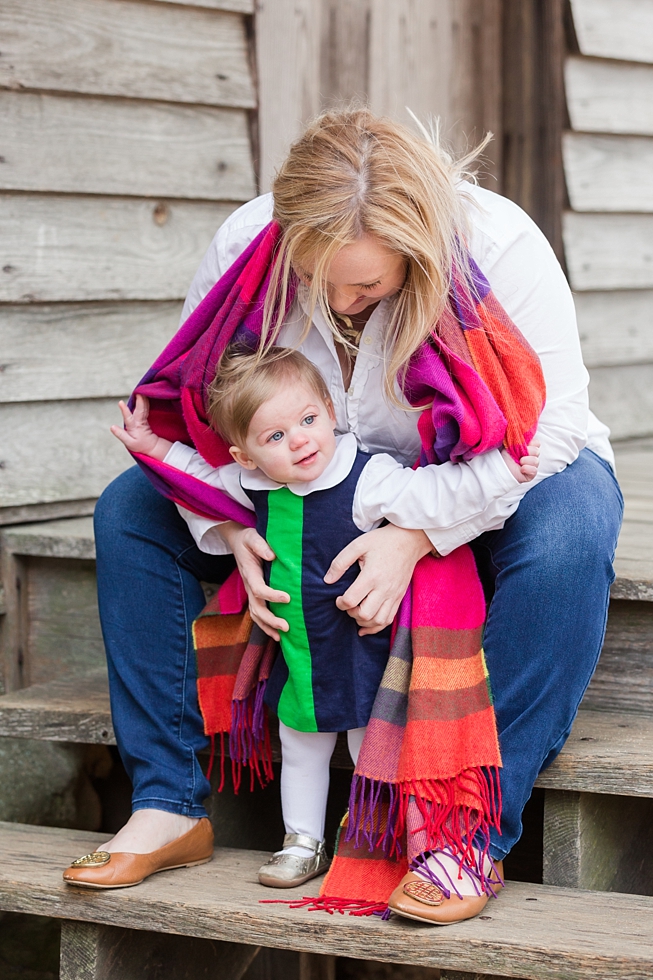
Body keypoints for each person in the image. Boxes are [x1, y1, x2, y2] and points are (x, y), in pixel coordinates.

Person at [63, 109, 622, 924]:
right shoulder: (247, 244)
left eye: (365, 286)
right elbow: (214, 408)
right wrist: (229, 530)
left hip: (478, 479)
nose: (339, 302)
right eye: (316, 278)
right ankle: (169, 800)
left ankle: (463, 830)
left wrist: (415, 538)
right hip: (294, 487)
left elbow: (549, 432)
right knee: (129, 509)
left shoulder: (499, 245)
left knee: (571, 528)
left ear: (417, 244)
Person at [105, 342, 542, 889]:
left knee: (371, 747)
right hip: (301, 652)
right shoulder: (255, 485)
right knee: (300, 746)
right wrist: (150, 445)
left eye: (309, 419)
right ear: (246, 455)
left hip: (363, 646)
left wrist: (505, 470)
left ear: (331, 414)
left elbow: (437, 492)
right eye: (276, 437)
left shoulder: (367, 478)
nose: (301, 440)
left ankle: (373, 838)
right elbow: (197, 478)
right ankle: (301, 841)